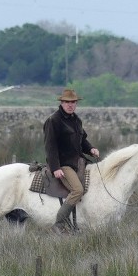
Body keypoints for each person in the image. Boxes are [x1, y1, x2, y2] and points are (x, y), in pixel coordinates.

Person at [43, 88, 99, 233]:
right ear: (61, 103)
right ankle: (59, 224)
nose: (70, 105)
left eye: (73, 102)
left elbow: (82, 140)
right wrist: (56, 168)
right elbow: (50, 147)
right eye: (67, 102)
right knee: (78, 190)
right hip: (64, 165)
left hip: (78, 162)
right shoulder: (53, 121)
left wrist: (91, 149)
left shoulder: (77, 120)